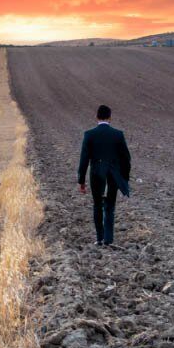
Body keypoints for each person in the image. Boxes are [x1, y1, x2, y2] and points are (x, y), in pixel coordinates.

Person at [78, 104, 131, 246]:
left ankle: (99, 238)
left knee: (97, 205)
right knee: (110, 206)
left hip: (96, 175)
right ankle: (108, 239)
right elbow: (126, 158)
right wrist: (124, 178)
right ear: (110, 117)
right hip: (113, 176)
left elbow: (84, 159)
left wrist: (81, 181)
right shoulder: (118, 134)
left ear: (96, 117)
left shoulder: (89, 134)